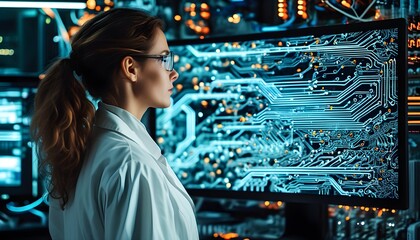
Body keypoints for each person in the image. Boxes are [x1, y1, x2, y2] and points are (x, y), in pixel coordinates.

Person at [31, 8, 199, 240]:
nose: (174, 73)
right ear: (131, 68)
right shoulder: (132, 165)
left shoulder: (81, 150)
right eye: (164, 59)